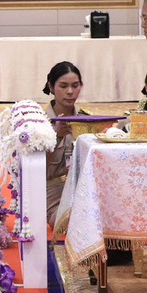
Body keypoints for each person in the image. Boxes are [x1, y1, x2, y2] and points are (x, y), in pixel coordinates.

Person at [42, 61, 86, 234]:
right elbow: (34, 167)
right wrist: (56, 136)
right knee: (72, 225)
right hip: (53, 193)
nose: (70, 92)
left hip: (82, 189)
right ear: (51, 87)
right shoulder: (38, 124)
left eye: (75, 86)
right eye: (63, 86)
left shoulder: (86, 120)